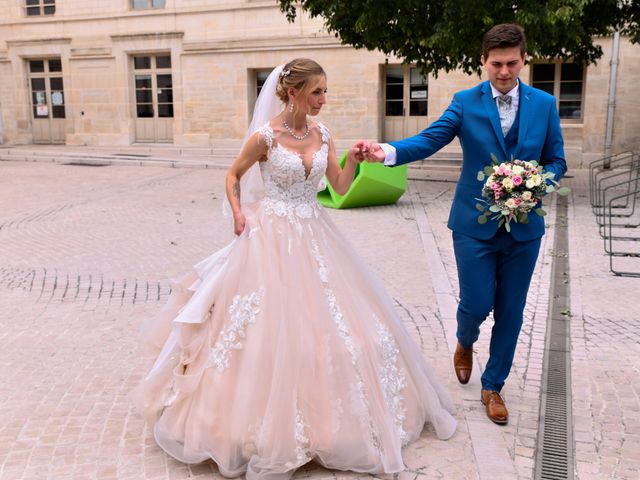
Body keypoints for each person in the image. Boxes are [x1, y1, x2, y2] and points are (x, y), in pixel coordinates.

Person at [133, 58, 456, 480]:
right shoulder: (265, 137)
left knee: (337, 325)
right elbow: (232, 176)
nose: (323, 99)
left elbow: (338, 186)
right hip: (269, 236)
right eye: (317, 91)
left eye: (325, 91)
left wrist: (358, 160)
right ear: (292, 93)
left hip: (315, 234)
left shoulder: (323, 133)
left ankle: (332, 421)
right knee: (264, 326)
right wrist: (237, 214)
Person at [358, 24, 567, 425]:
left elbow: (557, 160)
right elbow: (428, 139)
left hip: (524, 229)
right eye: (496, 64)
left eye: (511, 63)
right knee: (475, 304)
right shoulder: (465, 102)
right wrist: (383, 151)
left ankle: (493, 387)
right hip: (473, 224)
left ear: (524, 59)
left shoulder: (544, 104)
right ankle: (465, 340)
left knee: (512, 310)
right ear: (483, 62)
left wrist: (536, 184)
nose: (503, 71)